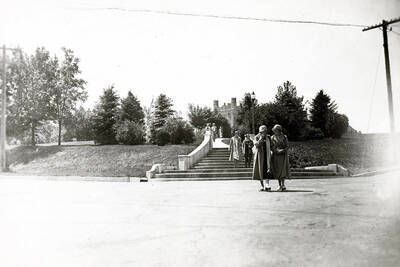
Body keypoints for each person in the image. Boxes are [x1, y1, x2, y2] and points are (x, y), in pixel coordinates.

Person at [271, 124, 290, 191]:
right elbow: (271, 146)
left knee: (283, 170)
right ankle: (279, 185)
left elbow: (287, 146)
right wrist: (276, 150)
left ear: (279, 130)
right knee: (277, 170)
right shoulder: (272, 137)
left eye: (276, 130)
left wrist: (283, 150)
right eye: (274, 130)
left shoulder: (284, 137)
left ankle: (283, 185)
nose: (275, 131)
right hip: (276, 155)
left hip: (283, 156)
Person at [252, 125, 272, 191]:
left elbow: (271, 145)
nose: (264, 133)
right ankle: (262, 185)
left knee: (267, 169)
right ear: (260, 132)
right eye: (262, 131)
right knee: (260, 170)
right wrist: (261, 139)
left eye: (265, 131)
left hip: (267, 155)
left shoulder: (268, 137)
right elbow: (257, 145)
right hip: (259, 156)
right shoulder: (256, 137)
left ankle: (267, 184)